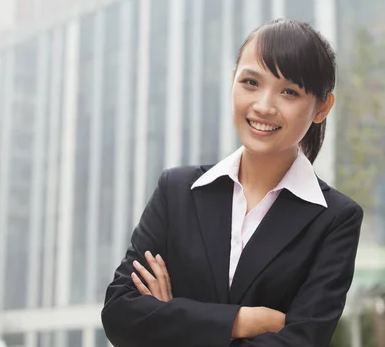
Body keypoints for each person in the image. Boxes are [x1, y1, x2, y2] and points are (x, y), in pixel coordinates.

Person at [101, 19, 363, 347]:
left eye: (289, 92)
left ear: (322, 107)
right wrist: (241, 320)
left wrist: (170, 317)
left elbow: (299, 343)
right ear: (233, 81)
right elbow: (120, 313)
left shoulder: (335, 219)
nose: (263, 106)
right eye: (251, 82)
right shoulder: (177, 191)